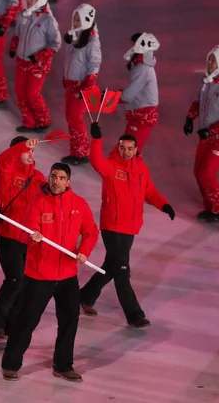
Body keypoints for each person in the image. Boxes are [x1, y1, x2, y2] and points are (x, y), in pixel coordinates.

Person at [1, 163, 99, 382]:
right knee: (27, 321)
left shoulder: (78, 204)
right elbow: (24, 233)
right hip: (39, 276)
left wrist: (83, 251)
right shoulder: (37, 203)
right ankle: (10, 364)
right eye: (53, 176)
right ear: (49, 178)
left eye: (61, 177)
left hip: (67, 276)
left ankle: (63, 365)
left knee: (69, 320)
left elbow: (91, 232)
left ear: (68, 181)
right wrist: (32, 237)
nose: (56, 181)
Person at [79, 123, 175, 327]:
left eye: (130, 148)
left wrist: (164, 205)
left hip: (130, 228)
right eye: (123, 147)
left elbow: (149, 192)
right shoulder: (111, 166)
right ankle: (134, 315)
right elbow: (96, 161)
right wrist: (96, 139)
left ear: (136, 149)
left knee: (112, 267)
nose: (126, 151)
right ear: (118, 147)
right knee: (122, 271)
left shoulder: (141, 169)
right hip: (112, 227)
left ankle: (85, 296)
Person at [0, 137, 46, 340]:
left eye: (32, 152)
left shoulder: (39, 178)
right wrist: (22, 146)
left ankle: (11, 324)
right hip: (8, 235)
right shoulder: (7, 172)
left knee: (25, 283)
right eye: (27, 151)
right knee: (15, 279)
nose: (31, 155)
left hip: (29, 239)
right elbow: (2, 159)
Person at [184, 45, 219, 223]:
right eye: (209, 59)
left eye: (213, 60)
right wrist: (189, 118)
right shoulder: (207, 82)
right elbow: (199, 102)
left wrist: (211, 130)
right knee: (197, 171)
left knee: (206, 174)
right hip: (205, 136)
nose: (209, 63)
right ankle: (209, 203)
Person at [9, 0, 61, 133]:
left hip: (38, 64)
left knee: (32, 94)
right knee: (20, 92)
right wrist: (13, 48)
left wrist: (38, 57)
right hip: (22, 61)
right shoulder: (23, 15)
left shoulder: (48, 21)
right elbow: (17, 34)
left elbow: (55, 43)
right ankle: (29, 121)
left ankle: (43, 120)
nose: (29, 0)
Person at [61, 4, 101, 165]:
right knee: (70, 117)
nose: (76, 22)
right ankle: (76, 149)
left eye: (79, 19)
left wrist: (84, 87)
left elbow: (94, 66)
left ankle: (81, 152)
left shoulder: (92, 43)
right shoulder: (74, 38)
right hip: (72, 86)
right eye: (75, 18)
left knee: (75, 118)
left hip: (82, 88)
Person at [117, 32, 160, 152]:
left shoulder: (143, 68)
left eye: (133, 45)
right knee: (128, 149)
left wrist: (110, 97)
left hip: (142, 116)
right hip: (139, 113)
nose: (131, 49)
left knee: (130, 151)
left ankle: (130, 170)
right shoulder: (140, 66)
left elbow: (128, 95)